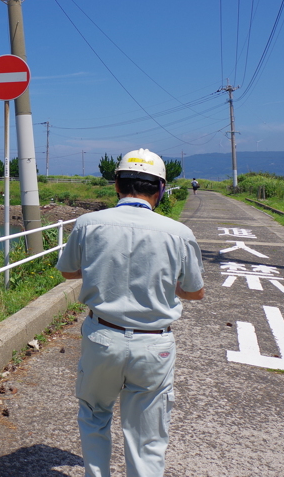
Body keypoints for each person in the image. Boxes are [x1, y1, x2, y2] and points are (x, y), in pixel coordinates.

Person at [56, 148, 204, 477]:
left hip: (102, 336)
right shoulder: (179, 234)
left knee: (94, 414)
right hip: (155, 344)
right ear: (160, 189)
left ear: (117, 185)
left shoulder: (88, 224)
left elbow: (68, 272)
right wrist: (168, 287)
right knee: (147, 436)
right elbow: (195, 291)